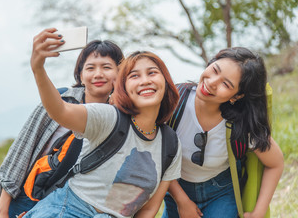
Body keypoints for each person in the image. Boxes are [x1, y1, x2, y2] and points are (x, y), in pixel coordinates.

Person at [23, 50, 182, 218]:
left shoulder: (170, 144)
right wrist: (38, 69)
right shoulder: (109, 117)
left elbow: (149, 209)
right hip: (67, 210)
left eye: (152, 73)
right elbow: (60, 111)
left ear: (165, 82)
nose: (145, 81)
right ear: (124, 88)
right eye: (134, 76)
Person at [0, 28, 124, 218]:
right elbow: (22, 150)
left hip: (79, 207)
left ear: (119, 74)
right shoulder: (60, 99)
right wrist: (2, 208)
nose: (98, 74)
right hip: (30, 198)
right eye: (90, 68)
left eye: (106, 67)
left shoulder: (121, 118)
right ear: (80, 75)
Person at [162, 47, 284, 218]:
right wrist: (182, 201)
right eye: (214, 70)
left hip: (220, 193)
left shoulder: (241, 124)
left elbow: (276, 163)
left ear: (237, 96)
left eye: (226, 84)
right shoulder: (173, 102)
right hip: (177, 190)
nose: (212, 82)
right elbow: (159, 158)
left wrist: (259, 212)